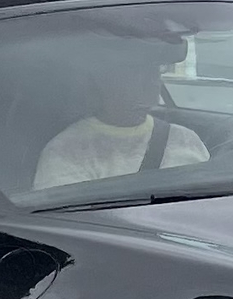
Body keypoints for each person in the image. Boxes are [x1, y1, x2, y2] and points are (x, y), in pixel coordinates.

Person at [33, 40, 208, 190]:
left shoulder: (186, 139)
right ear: (103, 81)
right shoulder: (66, 152)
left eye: (155, 71)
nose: (153, 81)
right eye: (137, 72)